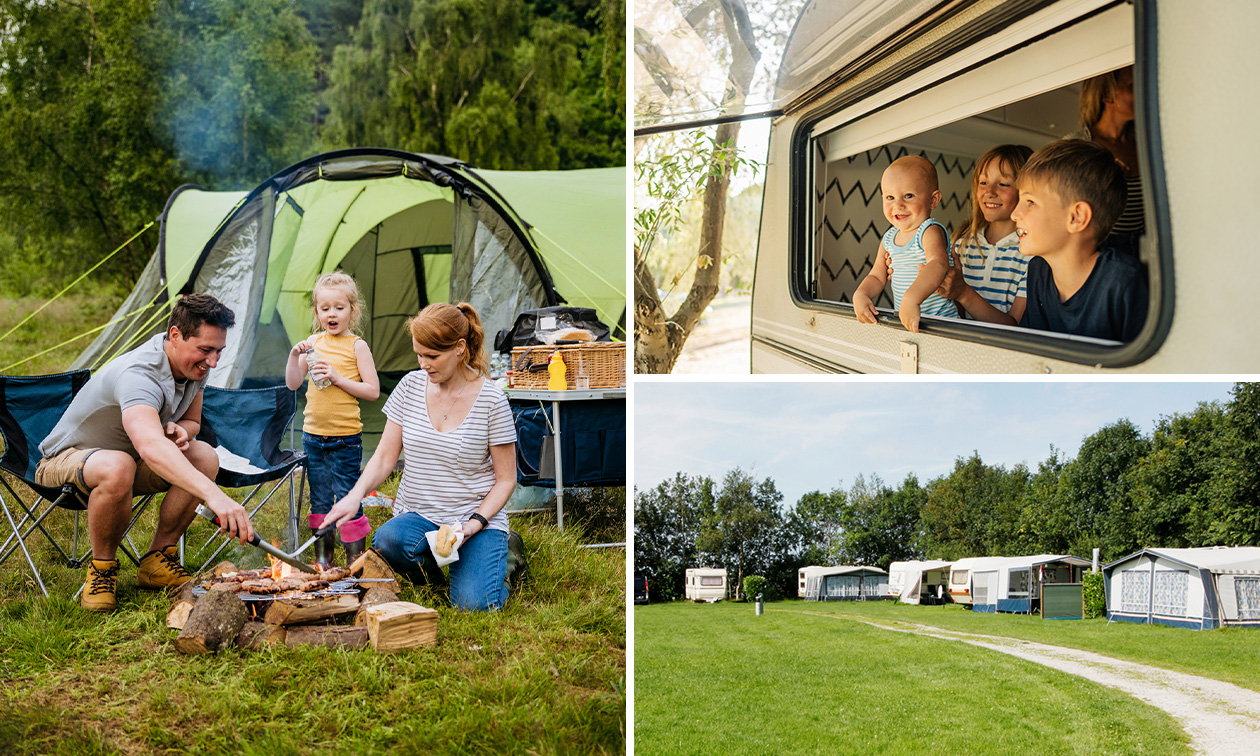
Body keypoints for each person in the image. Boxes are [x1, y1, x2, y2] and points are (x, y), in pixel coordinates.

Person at [36, 294, 253, 612]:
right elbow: (150, 448)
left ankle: (157, 560)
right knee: (118, 465)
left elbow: (192, 421)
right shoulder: (139, 374)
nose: (214, 362)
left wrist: (184, 430)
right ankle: (102, 571)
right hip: (66, 459)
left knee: (204, 456)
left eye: (219, 350)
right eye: (205, 350)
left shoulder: (193, 367)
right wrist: (215, 496)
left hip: (127, 459)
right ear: (176, 335)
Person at [322, 302, 518, 611]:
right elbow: (385, 458)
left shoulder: (492, 400)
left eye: (432, 356)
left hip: (475, 519)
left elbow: (507, 480)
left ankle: (505, 560)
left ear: (459, 348)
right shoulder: (410, 387)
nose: (423, 364)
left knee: (475, 606)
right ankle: (449, 575)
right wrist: (354, 496)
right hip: (421, 518)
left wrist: (474, 524)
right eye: (419, 354)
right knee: (387, 541)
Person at [284, 272, 380, 568]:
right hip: (313, 437)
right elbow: (292, 383)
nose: (332, 314)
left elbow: (373, 391)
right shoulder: (312, 344)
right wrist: (292, 356)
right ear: (317, 312)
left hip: (345, 439)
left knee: (349, 499)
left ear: (353, 310)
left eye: (339, 307)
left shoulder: (357, 346)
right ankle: (323, 562)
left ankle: (355, 563)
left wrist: (338, 379)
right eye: (325, 308)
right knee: (320, 501)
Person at [1013, 139, 1148, 341]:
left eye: (1030, 202)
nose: (1015, 214)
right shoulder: (1038, 271)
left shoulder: (1124, 282)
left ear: (1076, 217)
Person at [852, 154, 958, 333]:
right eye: (890, 197)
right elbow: (877, 276)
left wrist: (911, 298)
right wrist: (861, 294)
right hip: (908, 321)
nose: (898, 205)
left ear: (933, 200)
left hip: (942, 322)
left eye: (908, 196)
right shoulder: (888, 239)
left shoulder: (929, 230)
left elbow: (938, 264)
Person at [935, 144, 1034, 325]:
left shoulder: (1032, 254)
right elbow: (952, 315)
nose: (989, 192)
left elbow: (1014, 329)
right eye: (983, 182)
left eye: (1003, 184)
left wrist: (963, 293)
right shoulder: (961, 245)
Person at [1067, 66, 1144, 257]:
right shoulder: (1078, 146)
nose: (1142, 89)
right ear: (1107, 94)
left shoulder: (1146, 144)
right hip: (1101, 254)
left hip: (1145, 250)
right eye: (1133, 85)